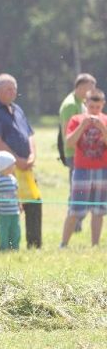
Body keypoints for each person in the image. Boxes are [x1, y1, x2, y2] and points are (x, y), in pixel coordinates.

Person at [0, 74, 42, 249]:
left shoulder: (17, 109)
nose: (13, 92)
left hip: (26, 168)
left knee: (34, 204)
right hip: (7, 170)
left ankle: (34, 245)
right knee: (8, 210)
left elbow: (29, 135)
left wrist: (31, 157)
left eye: (14, 88)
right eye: (8, 89)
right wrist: (18, 161)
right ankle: (8, 245)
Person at [60, 89, 107, 247]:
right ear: (85, 104)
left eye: (97, 107)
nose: (94, 111)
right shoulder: (76, 119)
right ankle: (64, 244)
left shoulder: (105, 120)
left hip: (102, 170)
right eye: (91, 107)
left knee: (98, 211)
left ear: (103, 105)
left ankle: (95, 244)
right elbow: (69, 143)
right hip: (81, 171)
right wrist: (82, 126)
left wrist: (102, 128)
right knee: (75, 209)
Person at [59, 74, 97, 233]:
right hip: (74, 153)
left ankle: (76, 225)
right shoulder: (69, 105)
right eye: (90, 87)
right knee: (78, 190)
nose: (92, 91)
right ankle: (74, 225)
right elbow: (68, 132)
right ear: (80, 86)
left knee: (84, 189)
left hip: (83, 153)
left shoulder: (79, 102)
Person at [0, 150, 21, 251]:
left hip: (14, 211)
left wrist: (19, 204)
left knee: (15, 230)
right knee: (3, 231)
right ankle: (4, 248)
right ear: (5, 166)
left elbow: (16, 193)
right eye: (12, 165)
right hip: (2, 213)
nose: (14, 167)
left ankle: (14, 247)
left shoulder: (13, 179)